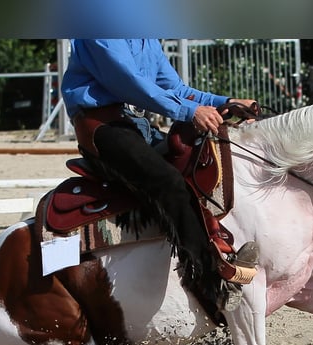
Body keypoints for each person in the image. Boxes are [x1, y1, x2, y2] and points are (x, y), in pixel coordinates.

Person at [61, 38, 259, 309]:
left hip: (136, 125)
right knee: (168, 182)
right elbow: (131, 85)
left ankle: (208, 246)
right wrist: (190, 111)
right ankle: (212, 280)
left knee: (199, 162)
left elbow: (175, 88)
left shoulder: (146, 37)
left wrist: (226, 102)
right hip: (102, 127)